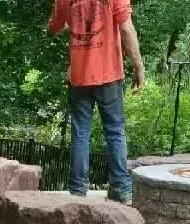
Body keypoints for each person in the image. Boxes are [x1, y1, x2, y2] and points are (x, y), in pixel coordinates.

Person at [48, 0, 145, 204]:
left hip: (79, 76)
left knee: (80, 133)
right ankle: (122, 189)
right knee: (115, 132)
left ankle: (77, 191)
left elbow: (54, 27)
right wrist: (138, 66)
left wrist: (66, 23)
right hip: (108, 75)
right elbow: (126, 28)